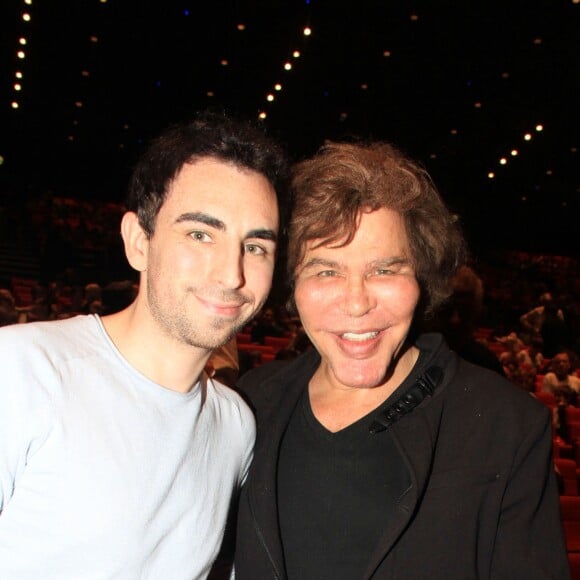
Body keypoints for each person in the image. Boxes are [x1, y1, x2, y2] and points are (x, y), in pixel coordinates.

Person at [234, 141, 569, 579]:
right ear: (292, 285)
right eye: (326, 270)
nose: (356, 303)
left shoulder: (506, 427)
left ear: (422, 280)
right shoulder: (247, 407)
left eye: (385, 270)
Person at [0, 110, 288, 579]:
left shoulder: (236, 426)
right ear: (138, 242)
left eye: (255, 247)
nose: (232, 274)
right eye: (200, 234)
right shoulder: (20, 370)